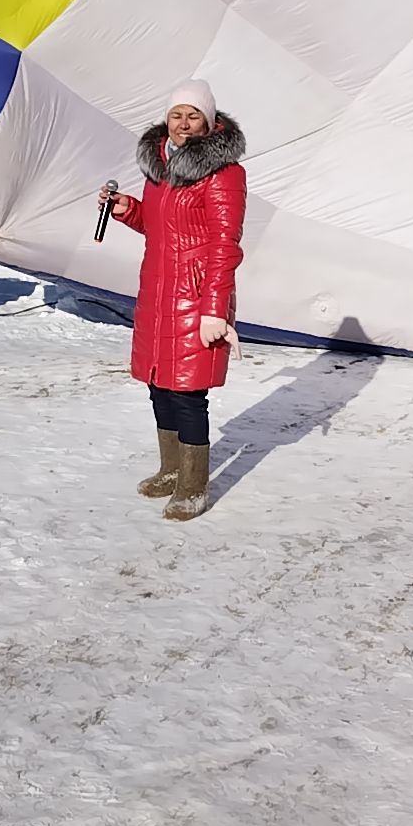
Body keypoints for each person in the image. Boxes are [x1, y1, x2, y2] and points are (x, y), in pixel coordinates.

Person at [98, 80, 246, 521]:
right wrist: (129, 210)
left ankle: (194, 484)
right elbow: (162, 228)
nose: (183, 123)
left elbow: (225, 244)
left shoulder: (223, 175)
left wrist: (214, 310)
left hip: (197, 297)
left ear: (210, 121)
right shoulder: (160, 168)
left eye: (193, 115)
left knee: (187, 395)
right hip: (158, 292)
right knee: (159, 385)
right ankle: (170, 468)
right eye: (177, 114)